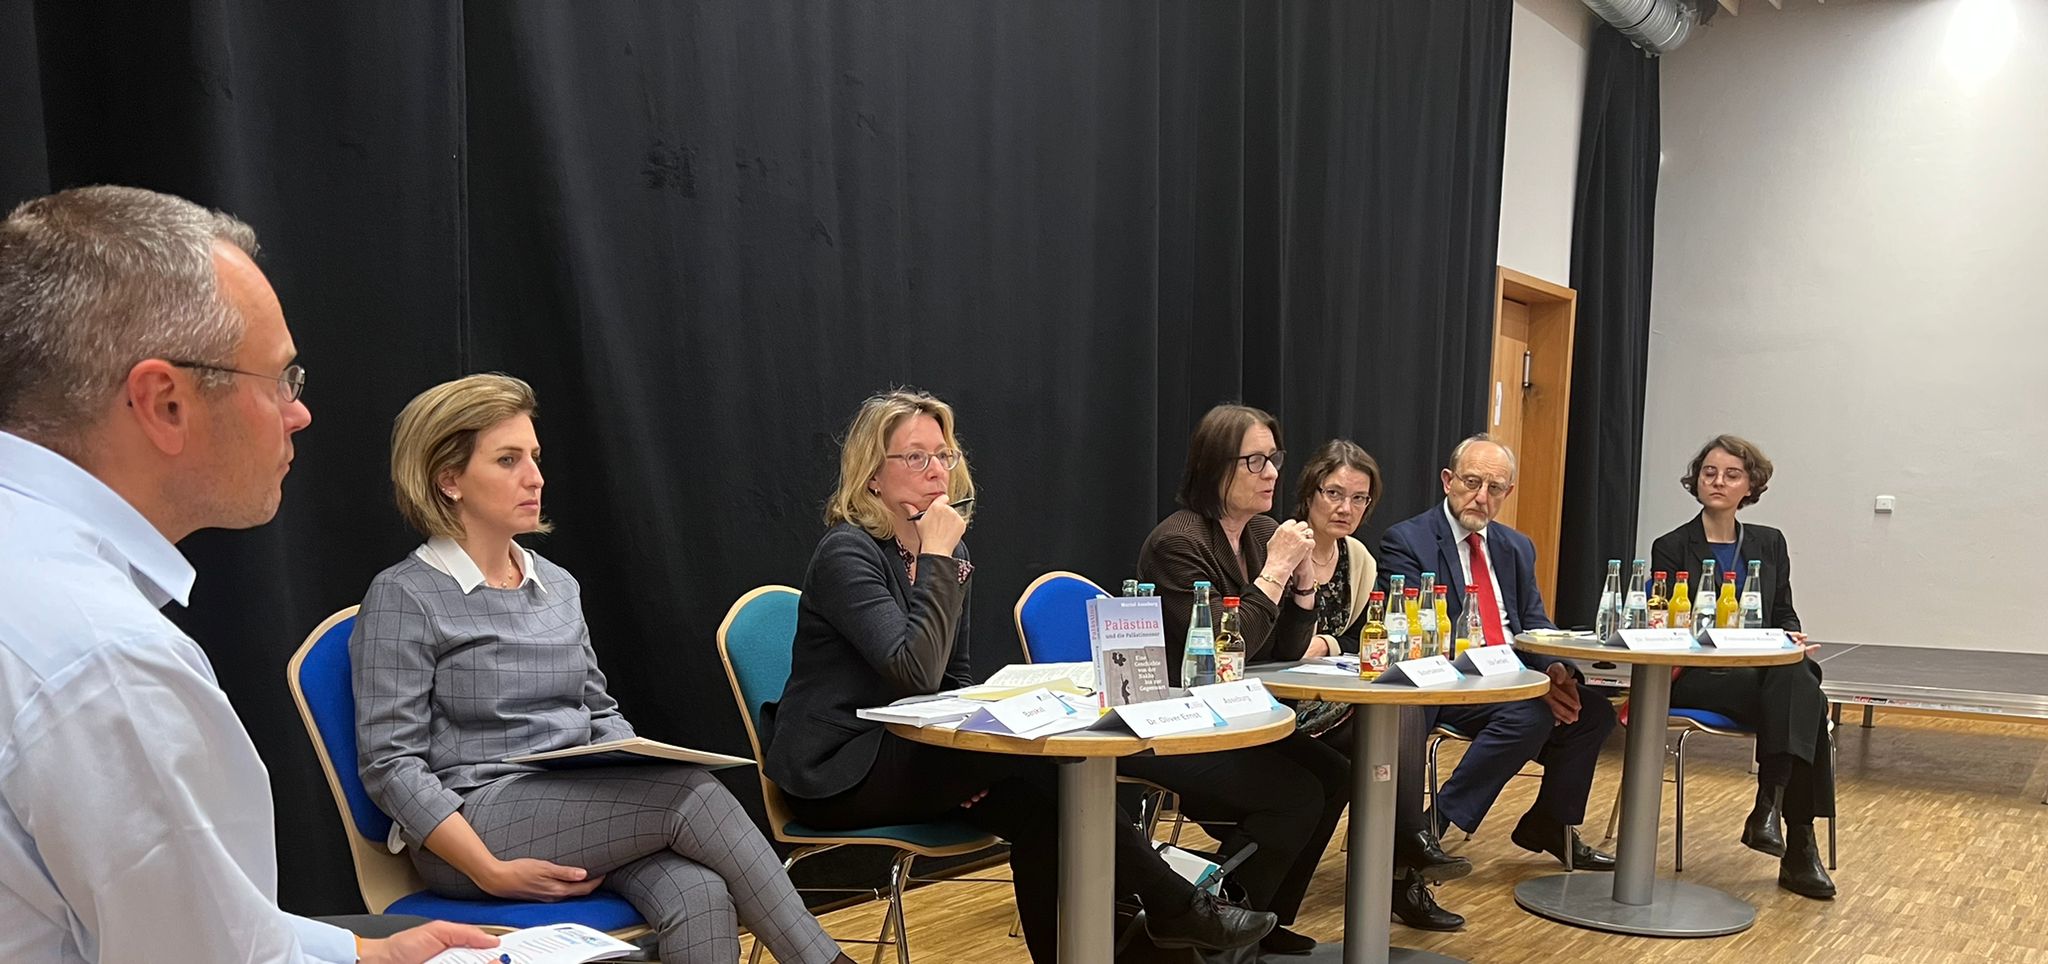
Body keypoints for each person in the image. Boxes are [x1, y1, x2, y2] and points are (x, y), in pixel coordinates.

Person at [0, 185, 497, 962]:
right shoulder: (109, 667)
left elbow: (189, 923)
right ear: (164, 402)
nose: (299, 412)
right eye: (279, 379)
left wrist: (366, 954)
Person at [352, 374, 855, 964]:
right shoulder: (405, 595)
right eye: (508, 460)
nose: (535, 477)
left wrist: (634, 759)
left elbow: (597, 710)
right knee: (691, 794)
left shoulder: (557, 584)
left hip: (582, 806)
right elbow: (390, 764)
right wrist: (488, 869)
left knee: (699, 891)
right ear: (449, 480)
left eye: (534, 457)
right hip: (473, 821)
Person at [763, 389, 1276, 963]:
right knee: (1039, 768)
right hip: (838, 771)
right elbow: (915, 672)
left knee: (1048, 810)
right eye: (915, 457)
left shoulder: (950, 553)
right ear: (872, 476)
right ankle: (1176, 905)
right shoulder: (849, 553)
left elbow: (952, 678)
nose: (937, 471)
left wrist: (969, 759)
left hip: (911, 754)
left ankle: (1142, 929)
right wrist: (937, 559)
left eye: (944, 455)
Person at [1131, 406, 1356, 948]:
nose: (1272, 473)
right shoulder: (1177, 543)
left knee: (1335, 773)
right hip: (1173, 724)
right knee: (1295, 796)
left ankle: (1265, 920)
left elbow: (1284, 649)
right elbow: (1222, 651)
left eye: (1274, 458)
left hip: (1235, 717)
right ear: (1215, 466)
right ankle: (1215, 927)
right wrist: (1276, 571)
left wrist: (1303, 585)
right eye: (1255, 461)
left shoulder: (1260, 532)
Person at [1378, 434, 1618, 878]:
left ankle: (1551, 824)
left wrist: (1555, 670)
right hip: (1449, 681)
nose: (1481, 497)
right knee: (1529, 716)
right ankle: (1431, 826)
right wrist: (1526, 686)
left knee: (1592, 714)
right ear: (1448, 481)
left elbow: (1535, 621)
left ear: (1508, 493)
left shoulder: (1516, 546)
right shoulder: (1408, 540)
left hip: (1514, 678)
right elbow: (1413, 630)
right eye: (1472, 482)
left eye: (1495, 488)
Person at [1281, 439, 1471, 932]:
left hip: (1340, 694)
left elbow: (1367, 632)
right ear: (1309, 492)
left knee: (1395, 705)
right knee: (1388, 717)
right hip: (1281, 699)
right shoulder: (1281, 544)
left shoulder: (1358, 558)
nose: (1345, 508)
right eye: (1334, 493)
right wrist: (1318, 646)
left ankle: (1403, 856)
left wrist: (1326, 644)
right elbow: (1273, 643)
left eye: (1359, 498)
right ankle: (1408, 851)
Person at [1650, 434, 1834, 899]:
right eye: (1709, 473)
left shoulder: (1770, 543)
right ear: (1696, 481)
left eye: (1732, 475)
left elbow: (1784, 613)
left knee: (1796, 675)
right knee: (1807, 698)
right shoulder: (1671, 546)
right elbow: (1665, 620)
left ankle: (1771, 810)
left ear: (1750, 486)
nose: (1718, 481)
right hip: (1700, 677)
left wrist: (1791, 636)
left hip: (1759, 677)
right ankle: (1795, 842)